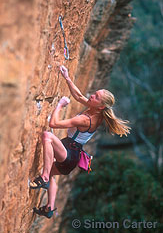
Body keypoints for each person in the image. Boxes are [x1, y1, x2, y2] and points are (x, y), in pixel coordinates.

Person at [30, 65, 131, 218]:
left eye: (96, 97)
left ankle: (43, 177)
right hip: (72, 154)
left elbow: (53, 124)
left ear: (101, 106)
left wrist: (59, 105)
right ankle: (49, 208)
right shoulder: (97, 111)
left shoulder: (85, 119)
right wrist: (67, 77)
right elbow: (78, 96)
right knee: (52, 174)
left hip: (70, 154)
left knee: (47, 136)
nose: (91, 96)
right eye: (94, 94)